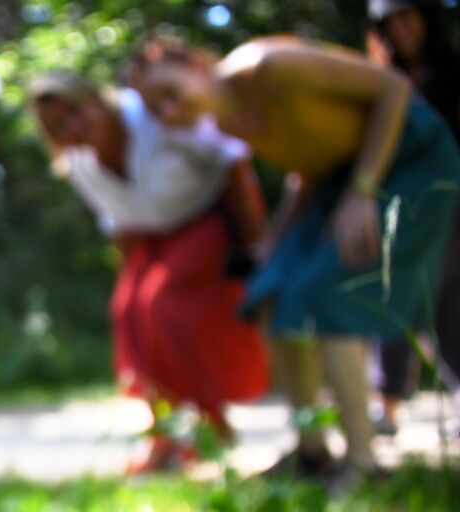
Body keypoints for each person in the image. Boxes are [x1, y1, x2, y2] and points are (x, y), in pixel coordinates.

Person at [130, 35, 460, 477]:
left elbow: (393, 88)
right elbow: (307, 166)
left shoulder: (268, 67)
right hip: (338, 180)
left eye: (170, 93)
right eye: (157, 111)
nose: (171, 112)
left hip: (405, 155)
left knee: (327, 291)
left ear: (195, 63)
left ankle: (363, 462)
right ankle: (312, 451)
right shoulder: (227, 125)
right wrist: (274, 242)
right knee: (268, 290)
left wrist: (363, 190)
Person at [28, 70, 270, 471]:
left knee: (164, 304)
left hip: (207, 218)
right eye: (57, 126)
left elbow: (230, 154)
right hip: (148, 238)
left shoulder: (151, 114)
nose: (72, 127)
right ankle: (163, 431)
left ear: (94, 98)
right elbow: (117, 225)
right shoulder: (80, 164)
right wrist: (131, 286)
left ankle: (212, 427)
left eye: (75, 111)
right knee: (128, 311)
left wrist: (253, 234)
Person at [367, 0, 460, 434]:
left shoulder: (452, 73)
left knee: (448, 299)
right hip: (399, 208)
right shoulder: (382, 81)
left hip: (451, 202)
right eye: (391, 23)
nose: (401, 29)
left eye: (407, 17)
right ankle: (386, 402)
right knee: (392, 294)